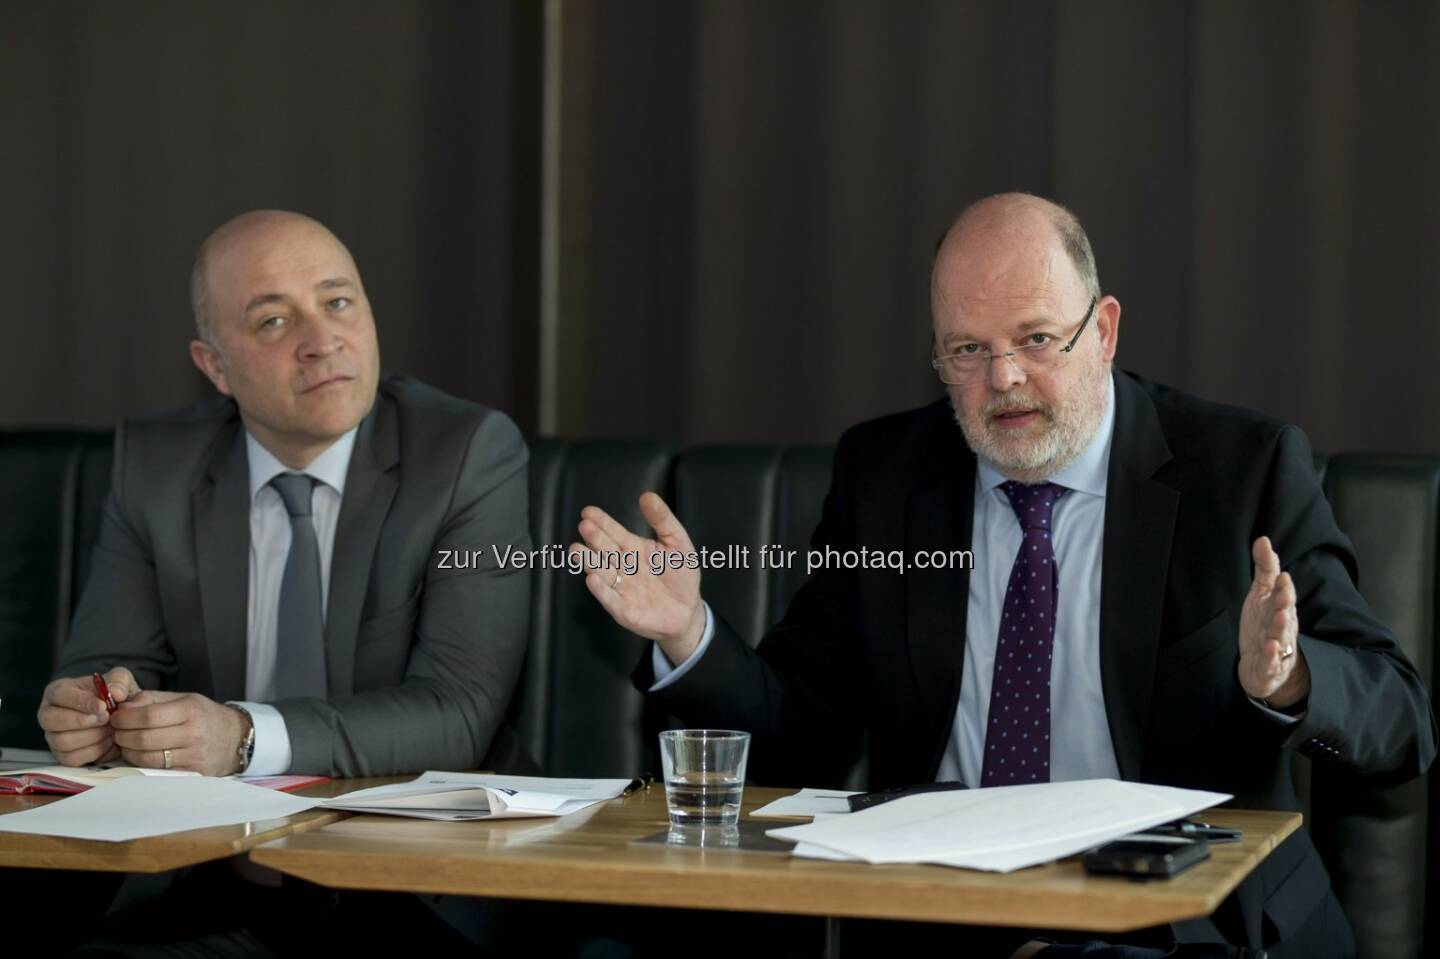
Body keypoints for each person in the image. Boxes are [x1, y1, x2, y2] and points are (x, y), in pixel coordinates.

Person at [570, 193, 1436, 958]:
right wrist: (689, 633)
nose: (1005, 380)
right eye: (967, 351)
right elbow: (803, 729)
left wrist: (1285, 679)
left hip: (1181, 925)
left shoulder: (1241, 469)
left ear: (1102, 331)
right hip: (944, 916)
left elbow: (1401, 721)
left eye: (1034, 339)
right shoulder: (887, 476)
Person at [28, 209, 532, 954]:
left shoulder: (464, 456)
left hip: (409, 882)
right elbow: (106, 662)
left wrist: (241, 735)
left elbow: (459, 712)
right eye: (272, 321)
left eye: (338, 302)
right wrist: (90, 711)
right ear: (214, 365)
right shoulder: (157, 466)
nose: (321, 339)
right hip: (214, 872)